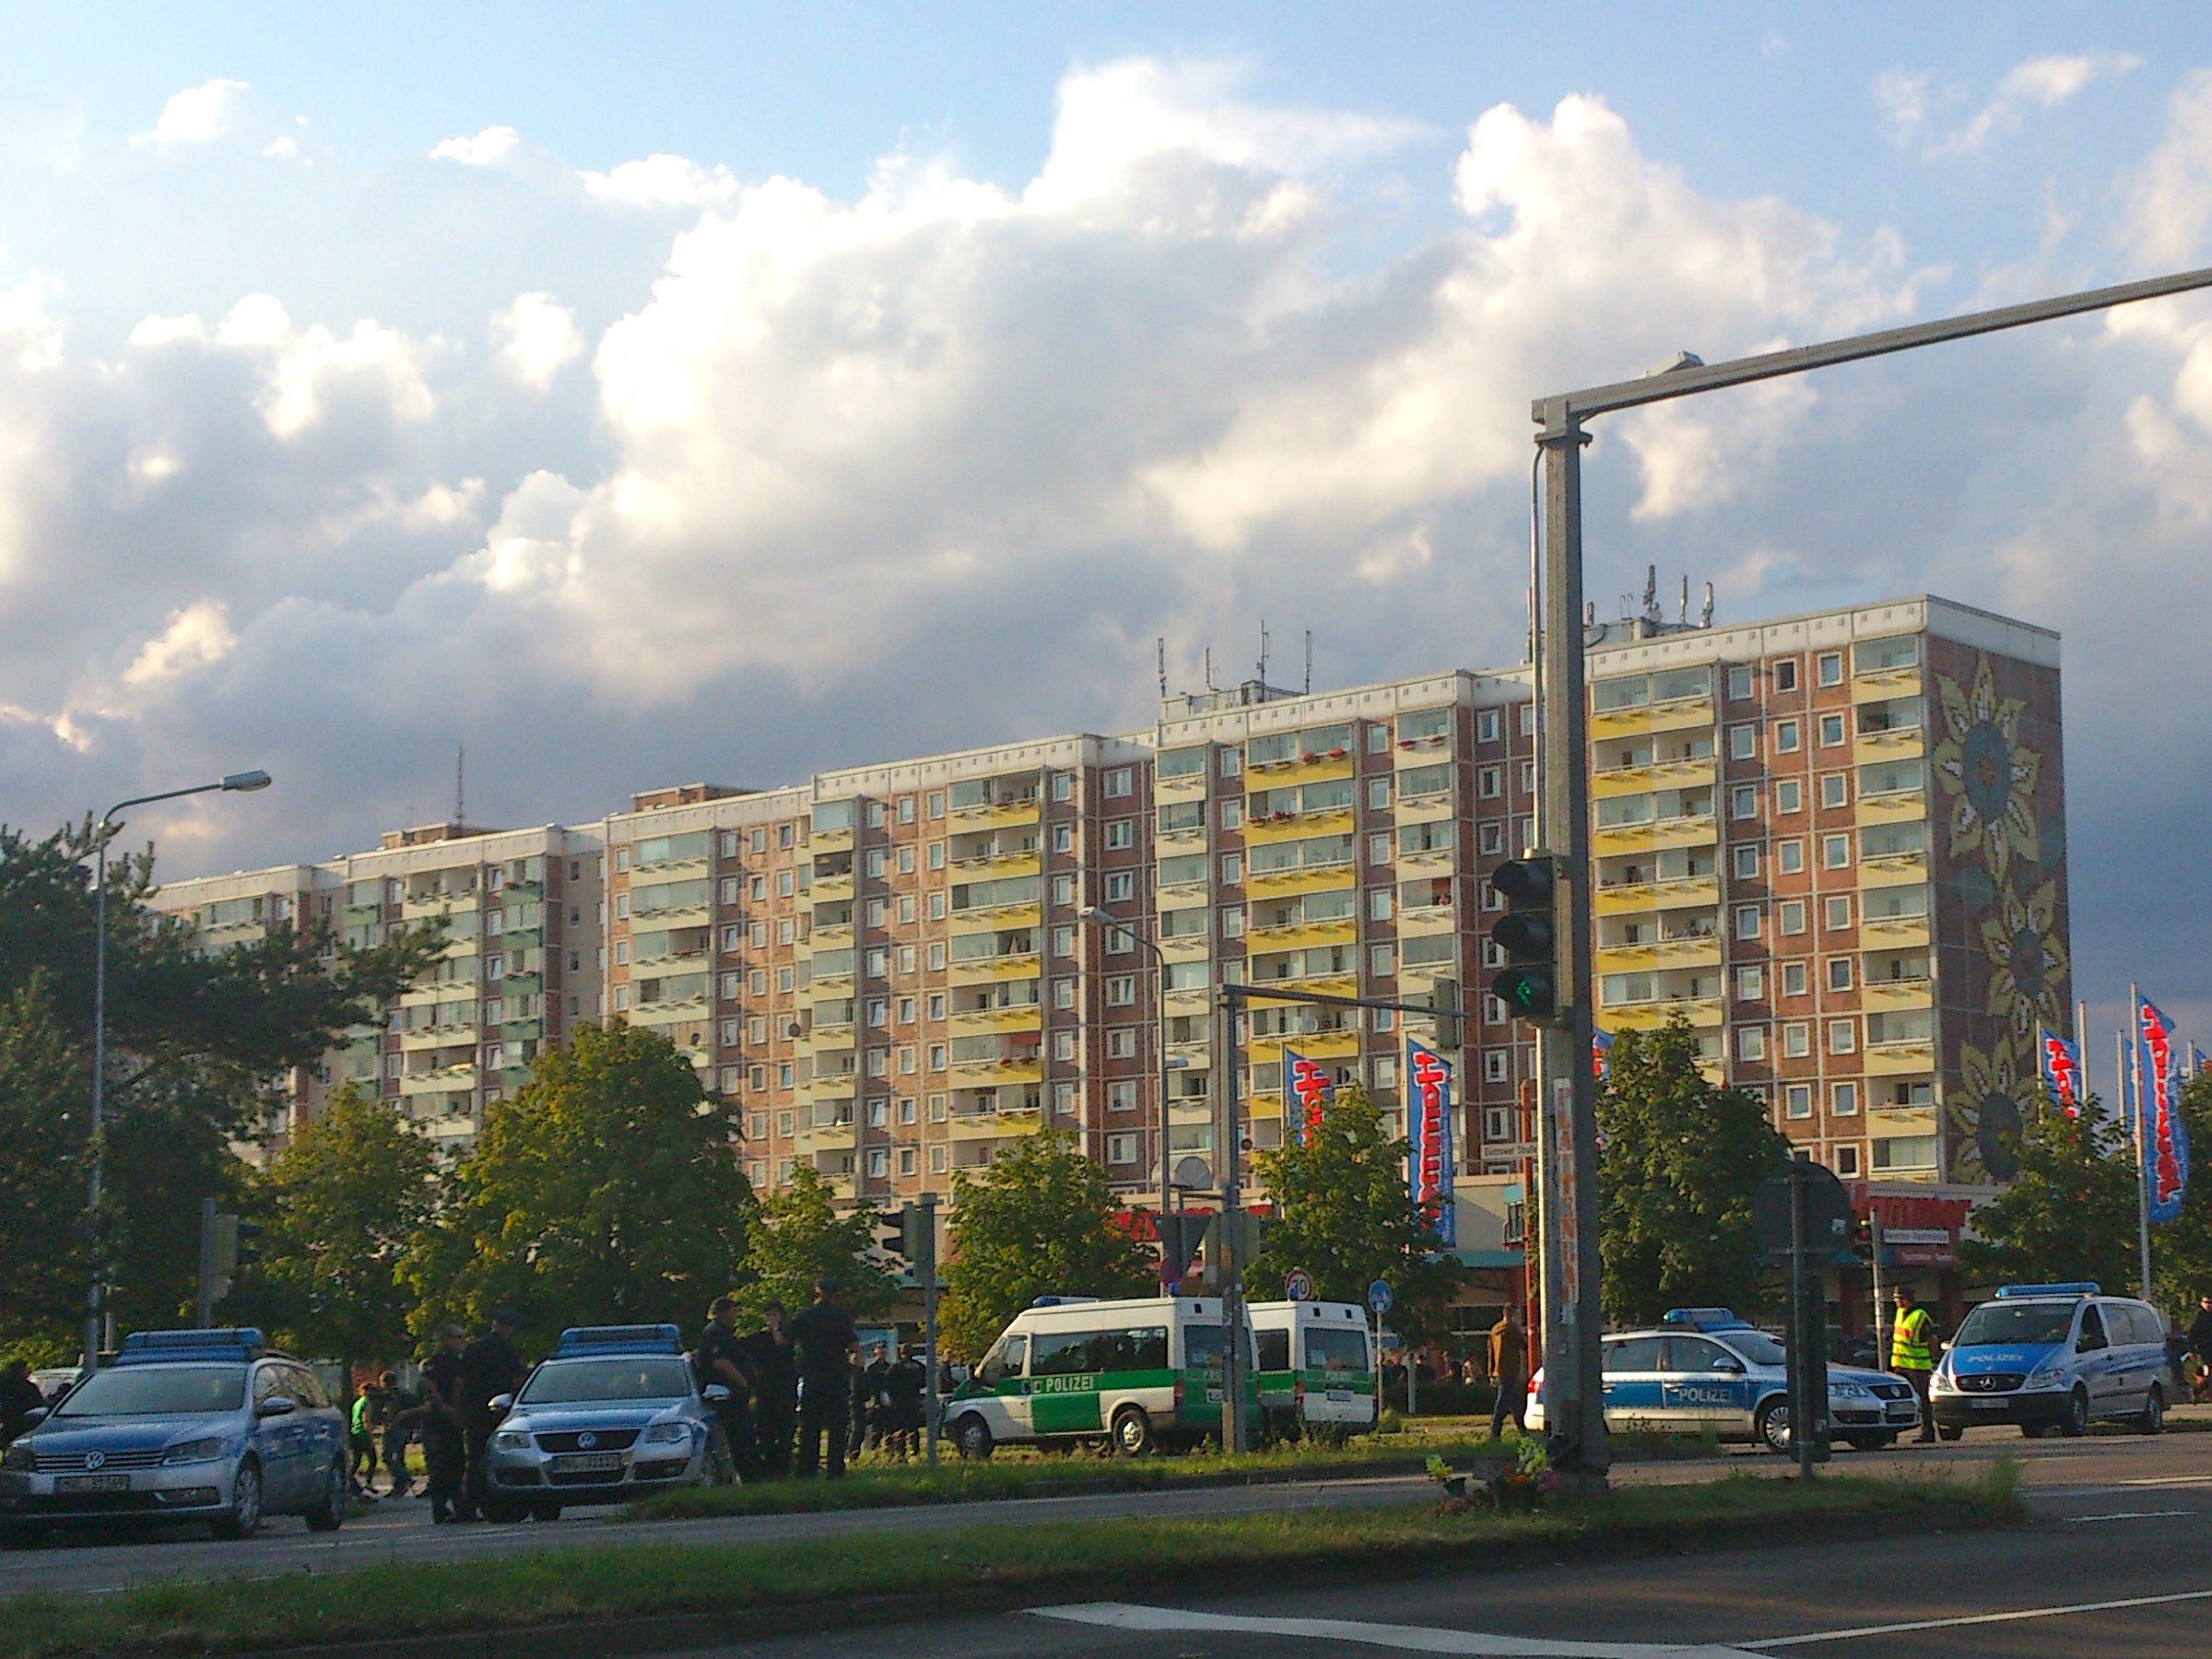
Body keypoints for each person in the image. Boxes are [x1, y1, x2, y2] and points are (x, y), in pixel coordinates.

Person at [457, 1309, 527, 1518]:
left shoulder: (472, 1349)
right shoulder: (510, 1351)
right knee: (503, 1459)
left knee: (474, 1461)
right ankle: (499, 1502)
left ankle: (467, 1509)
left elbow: (460, 1383)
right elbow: (518, 1381)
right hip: (502, 1414)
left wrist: (459, 1410)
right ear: (507, 1328)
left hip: (475, 1414)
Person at [791, 1278, 859, 1479]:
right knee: (837, 1426)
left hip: (811, 1376)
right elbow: (853, 1346)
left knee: (810, 1425)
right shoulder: (840, 1317)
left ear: (817, 1293)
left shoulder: (803, 1316)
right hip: (836, 1376)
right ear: (834, 1295)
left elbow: (788, 1340)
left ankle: (806, 1469)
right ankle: (835, 1469)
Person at [694, 1296, 755, 1483]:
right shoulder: (716, 1332)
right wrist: (743, 1383)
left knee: (742, 1437)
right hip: (725, 1395)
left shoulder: (723, 1332)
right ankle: (744, 1476)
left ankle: (745, 1474)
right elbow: (720, 1362)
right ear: (723, 1312)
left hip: (729, 1393)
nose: (735, 1313)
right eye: (732, 1310)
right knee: (738, 1437)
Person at [418, 1324, 469, 1523]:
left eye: (463, 1337)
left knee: (457, 1465)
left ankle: (460, 1508)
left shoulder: (458, 1361)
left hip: (453, 1420)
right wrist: (443, 1405)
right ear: (447, 1339)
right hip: (439, 1422)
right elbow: (425, 1382)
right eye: (458, 1337)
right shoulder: (439, 1360)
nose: (462, 1341)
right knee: (444, 1466)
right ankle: (440, 1510)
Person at [741, 1300, 797, 1480]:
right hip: (764, 1391)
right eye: (768, 1315)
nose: (771, 1318)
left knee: (785, 1431)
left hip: (784, 1391)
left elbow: (784, 1349)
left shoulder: (788, 1336)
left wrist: (775, 1331)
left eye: (775, 1315)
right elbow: (737, 1349)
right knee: (764, 1430)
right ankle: (767, 1468)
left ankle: (784, 1470)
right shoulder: (757, 1338)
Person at [1890, 1286, 1937, 1443]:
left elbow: (1932, 1339)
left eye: (1898, 1298)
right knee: (1896, 1400)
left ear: (1906, 1299)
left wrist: (1933, 1359)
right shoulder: (1899, 1313)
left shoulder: (1920, 1316)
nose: (1896, 1301)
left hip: (1918, 1366)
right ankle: (1892, 1434)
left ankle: (1927, 1433)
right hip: (1900, 1364)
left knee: (1922, 1400)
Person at [379, 1370, 421, 1500]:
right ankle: (399, 1487)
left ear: (384, 1382)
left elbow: (391, 1412)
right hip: (407, 1428)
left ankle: (405, 1479)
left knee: (386, 1456)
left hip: (396, 1428)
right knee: (399, 1458)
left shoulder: (392, 1395)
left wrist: (388, 1423)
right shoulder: (406, 1393)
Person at [1488, 1307, 1528, 1440]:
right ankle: (1495, 1431)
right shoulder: (1512, 1329)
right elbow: (1523, 1345)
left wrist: (1491, 1372)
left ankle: (1522, 1429)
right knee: (1503, 1402)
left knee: (1514, 1401)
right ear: (1512, 1314)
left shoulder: (1495, 1330)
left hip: (1498, 1371)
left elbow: (1490, 1353)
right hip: (1510, 1370)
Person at [885, 1344, 928, 1461]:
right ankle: (914, 1450)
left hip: (899, 1402)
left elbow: (887, 1383)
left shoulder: (896, 1367)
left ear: (900, 1352)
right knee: (913, 1426)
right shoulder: (919, 1366)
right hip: (914, 1400)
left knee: (899, 1427)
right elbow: (924, 1382)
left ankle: (901, 1452)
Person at [348, 1378, 384, 1498]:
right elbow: (366, 1419)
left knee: (357, 1460)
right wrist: (370, 1436)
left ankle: (349, 1478)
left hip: (355, 1432)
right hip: (363, 1434)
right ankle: (368, 1482)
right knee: (373, 1459)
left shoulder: (357, 1403)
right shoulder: (367, 1402)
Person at [0, 1360, 46, 1448]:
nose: (28, 1370)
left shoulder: (5, 1385)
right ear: (21, 1370)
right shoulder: (28, 1387)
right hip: (25, 1422)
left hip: (9, 1421)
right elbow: (39, 1403)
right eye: (26, 1368)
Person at [2187, 1296, 2212, 1405]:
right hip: (2203, 1351)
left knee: (2208, 1373)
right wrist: (2192, 1350)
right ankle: (2197, 1392)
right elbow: (2191, 1334)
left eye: (2210, 1303)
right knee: (2205, 1373)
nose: (2209, 1305)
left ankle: (2204, 1393)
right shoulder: (2199, 1316)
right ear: (2202, 1303)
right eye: (2206, 1302)